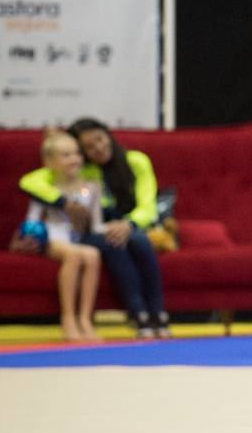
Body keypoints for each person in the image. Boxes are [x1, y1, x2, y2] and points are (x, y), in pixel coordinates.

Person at [67, 117, 172, 339]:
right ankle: (139, 314)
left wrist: (129, 224)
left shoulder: (136, 161)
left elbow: (148, 206)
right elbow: (32, 182)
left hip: (132, 222)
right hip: (95, 228)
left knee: (138, 240)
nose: (98, 148)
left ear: (109, 135)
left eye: (100, 139)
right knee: (114, 243)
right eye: (88, 147)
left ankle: (158, 312)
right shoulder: (83, 171)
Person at [14, 130, 104, 342]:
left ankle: (85, 318)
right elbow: (33, 220)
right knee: (73, 255)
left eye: (76, 154)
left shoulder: (90, 188)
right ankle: (68, 318)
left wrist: (120, 226)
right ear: (49, 161)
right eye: (65, 155)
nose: (74, 159)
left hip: (75, 238)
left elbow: (97, 225)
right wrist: (24, 239)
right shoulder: (45, 189)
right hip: (53, 238)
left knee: (92, 254)